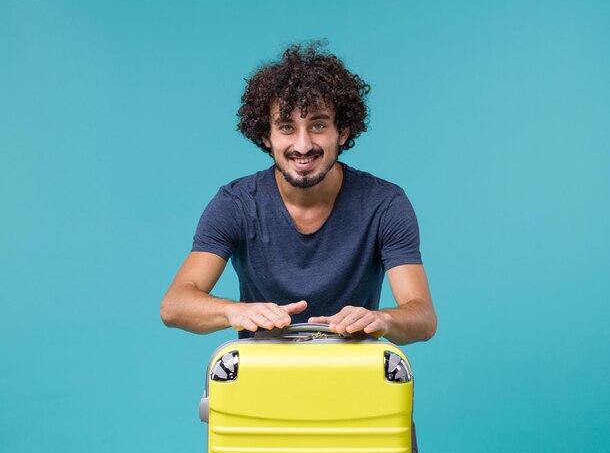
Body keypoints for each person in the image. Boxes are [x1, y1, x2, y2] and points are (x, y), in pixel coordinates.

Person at [161, 42, 437, 345]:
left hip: (353, 379)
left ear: (342, 132)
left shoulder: (384, 204)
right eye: (286, 127)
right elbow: (174, 305)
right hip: (263, 378)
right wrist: (233, 312)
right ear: (266, 136)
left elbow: (422, 318)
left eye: (317, 125)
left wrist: (383, 319)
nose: (303, 145)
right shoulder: (236, 204)